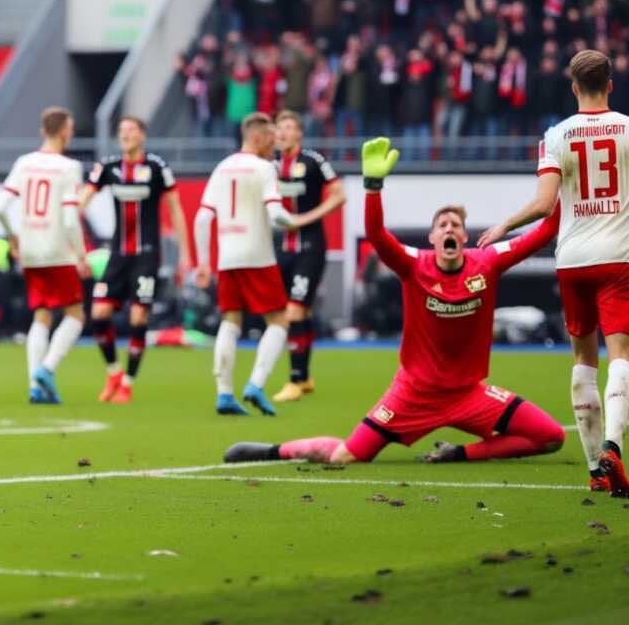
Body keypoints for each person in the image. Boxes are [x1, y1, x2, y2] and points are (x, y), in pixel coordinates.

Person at [225, 138, 565, 466]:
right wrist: (373, 188)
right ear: (433, 238)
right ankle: (276, 451)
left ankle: (458, 454)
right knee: (348, 455)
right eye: (442, 225)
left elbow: (547, 230)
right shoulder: (414, 264)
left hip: (468, 395)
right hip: (413, 395)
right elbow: (377, 235)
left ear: (464, 236)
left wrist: (559, 174)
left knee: (551, 437)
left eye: (455, 225)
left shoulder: (487, 262)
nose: (449, 228)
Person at [478, 49, 629, 496]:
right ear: (610, 84)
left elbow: (545, 205)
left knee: (583, 359)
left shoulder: (556, 135)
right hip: (618, 256)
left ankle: (594, 468)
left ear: (573, 87)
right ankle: (613, 446)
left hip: (573, 260)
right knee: (620, 354)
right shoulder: (627, 128)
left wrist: (504, 224)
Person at [195, 113, 306, 416]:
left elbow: (202, 218)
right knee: (279, 321)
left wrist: (203, 262)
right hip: (258, 255)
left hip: (227, 258)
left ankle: (224, 394)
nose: (275, 145)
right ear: (257, 138)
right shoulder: (264, 168)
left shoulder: (222, 167)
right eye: (271, 138)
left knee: (230, 321)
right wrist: (297, 221)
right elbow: (275, 213)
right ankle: (256, 384)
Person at [81, 116, 192, 404]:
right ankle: (113, 372)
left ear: (142, 135)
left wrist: (185, 254)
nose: (125, 135)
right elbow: (82, 202)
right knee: (99, 314)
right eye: (122, 131)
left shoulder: (156, 167)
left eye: (131, 130)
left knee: (138, 317)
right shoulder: (108, 167)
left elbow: (176, 210)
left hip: (146, 256)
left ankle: (128, 385)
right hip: (118, 255)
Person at [0, 107, 89, 404]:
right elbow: (70, 219)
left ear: (42, 131)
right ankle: (47, 369)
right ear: (64, 131)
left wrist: (13, 237)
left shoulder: (24, 163)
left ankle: (35, 386)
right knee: (75, 314)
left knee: (42, 314)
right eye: (70, 128)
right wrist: (81, 254)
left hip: (30, 250)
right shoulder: (69, 167)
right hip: (58, 249)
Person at [271, 110, 346, 402]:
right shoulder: (270, 165)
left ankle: (295, 379)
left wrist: (306, 218)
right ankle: (306, 377)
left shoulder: (314, 160)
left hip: (311, 247)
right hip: (283, 248)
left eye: (289, 127)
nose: (284, 133)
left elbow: (339, 195)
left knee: (294, 311)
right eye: (280, 128)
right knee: (298, 312)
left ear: (299, 133)